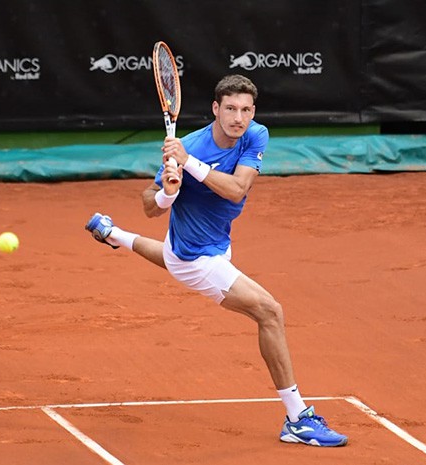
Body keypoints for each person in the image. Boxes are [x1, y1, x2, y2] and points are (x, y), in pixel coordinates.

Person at [85, 74, 347, 447]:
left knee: (170, 256)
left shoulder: (254, 135)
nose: (238, 118)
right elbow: (149, 206)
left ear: (253, 111)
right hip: (198, 258)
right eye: (230, 109)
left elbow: (237, 189)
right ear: (215, 109)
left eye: (245, 110)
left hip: (209, 244)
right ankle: (297, 418)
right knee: (269, 312)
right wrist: (168, 195)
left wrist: (188, 165)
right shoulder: (190, 144)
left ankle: (112, 234)